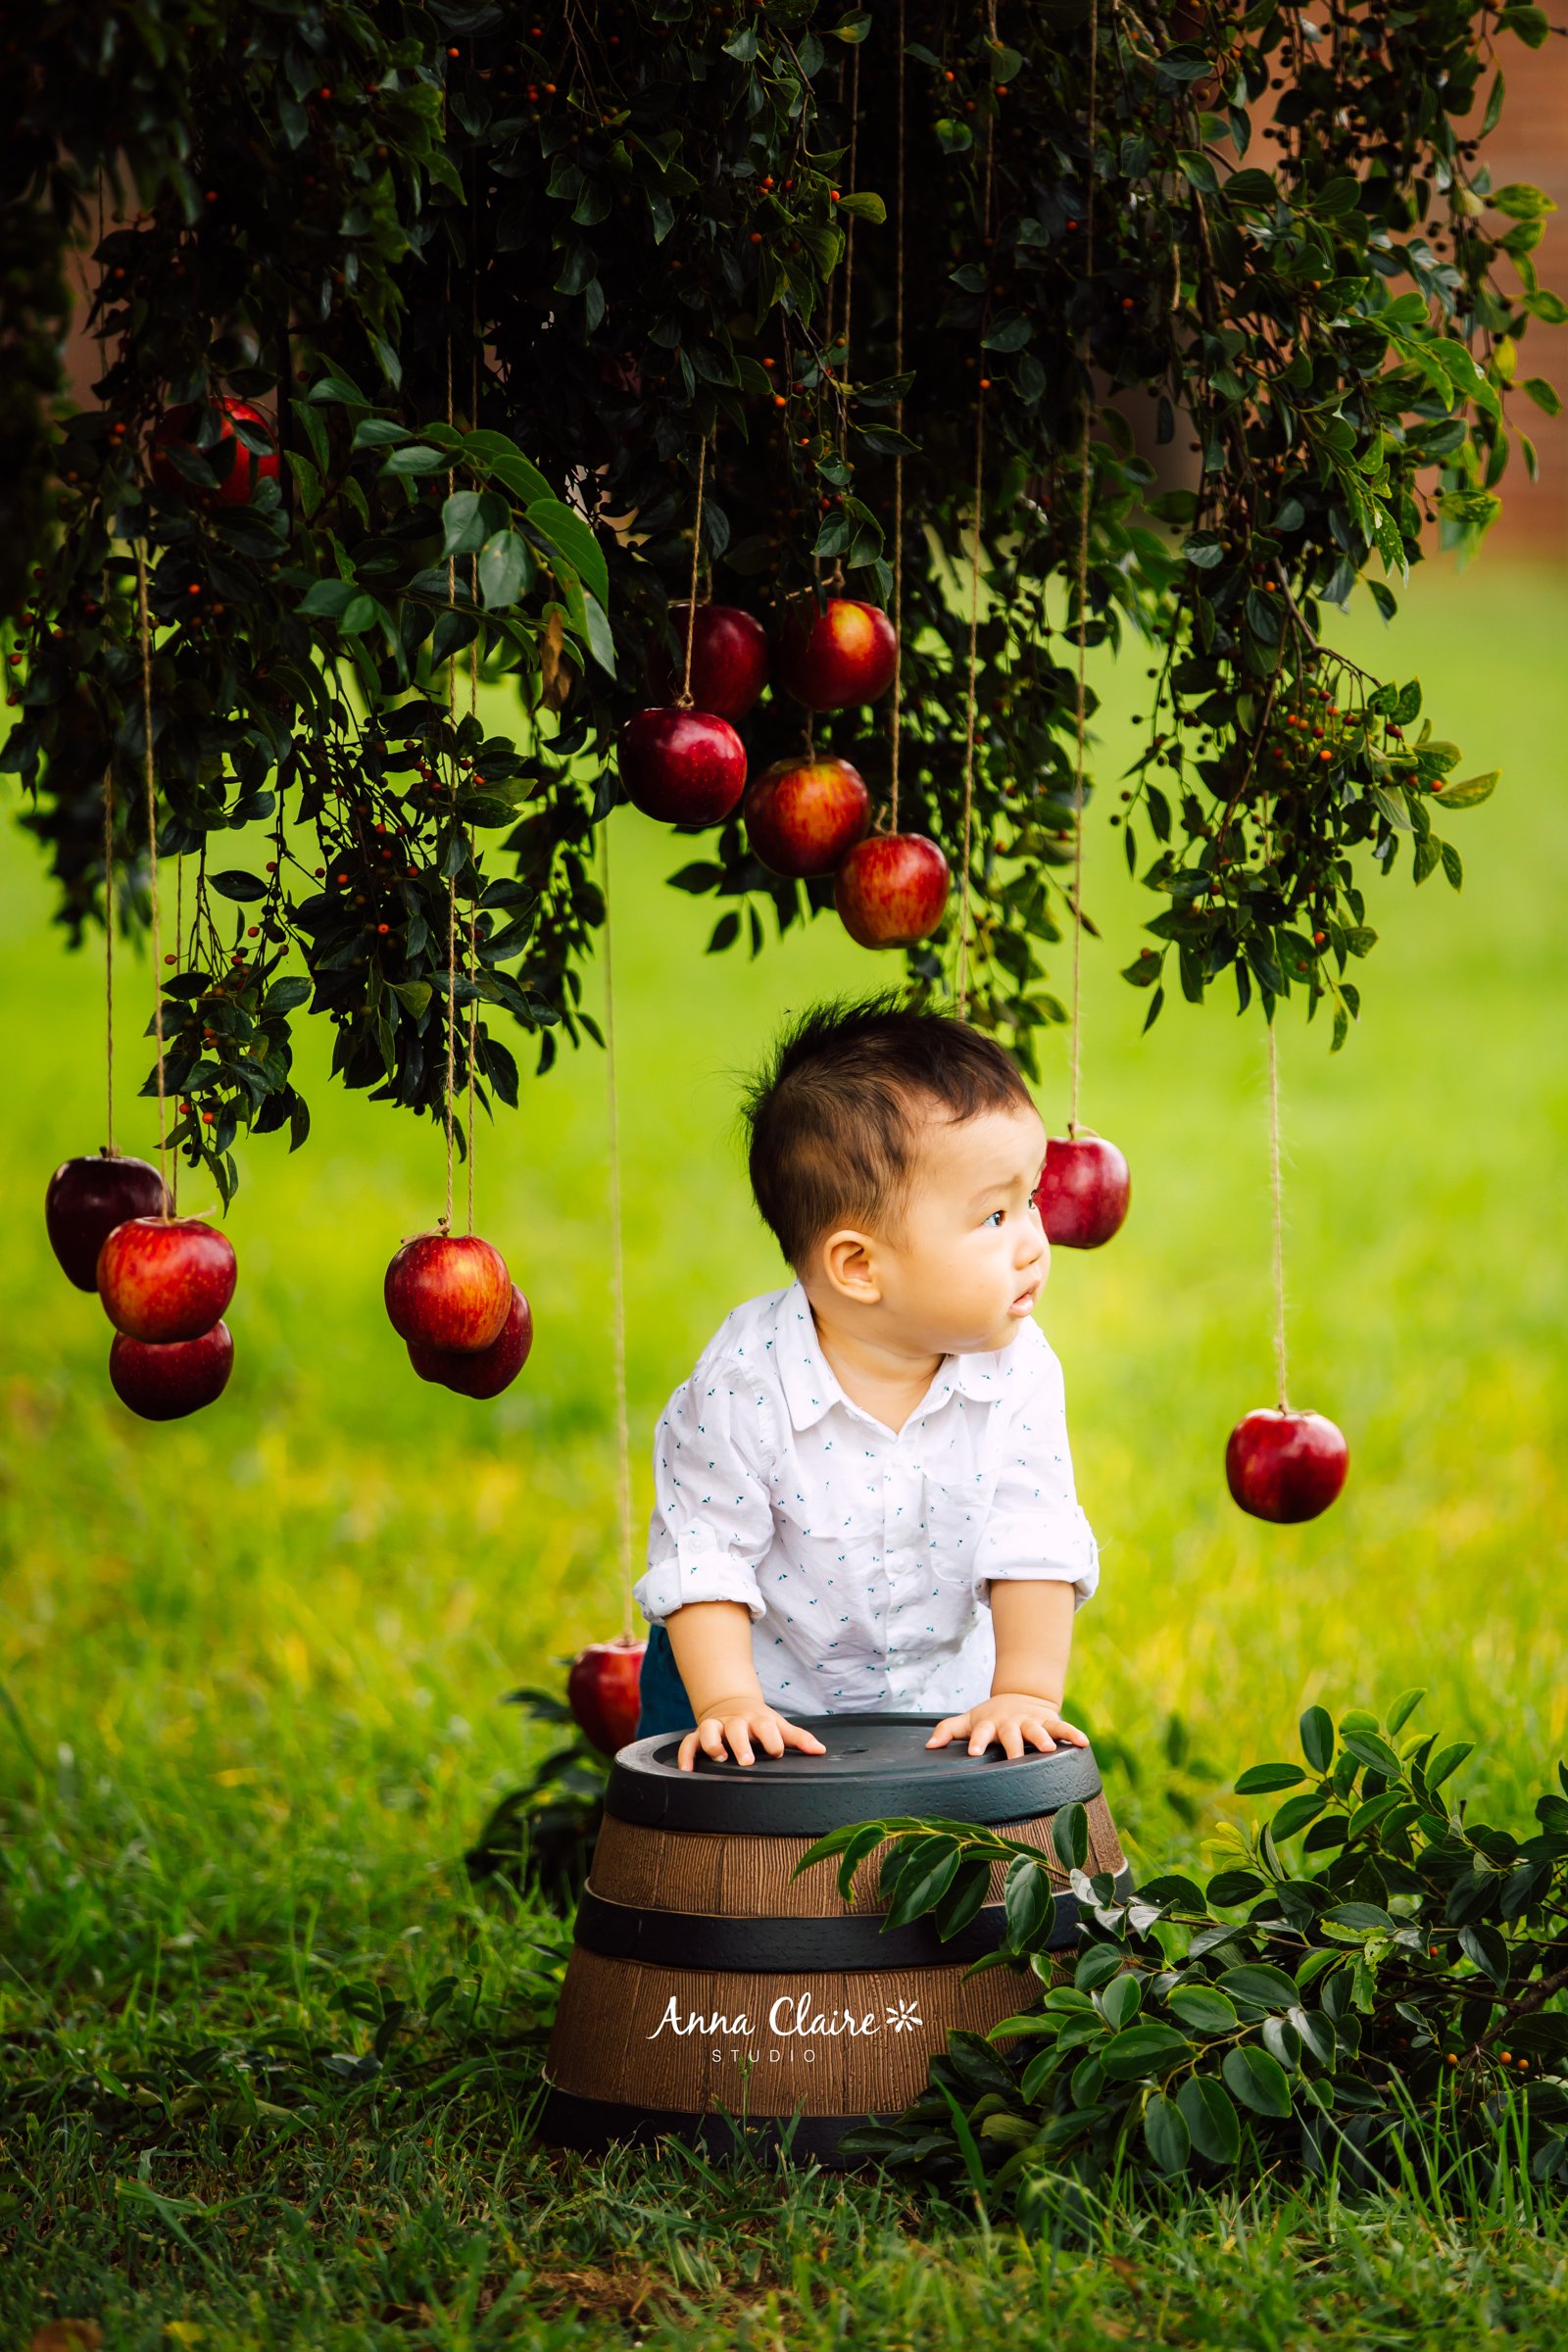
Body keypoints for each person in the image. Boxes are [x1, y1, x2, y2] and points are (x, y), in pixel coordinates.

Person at [633, 996, 1099, 1772]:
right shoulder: (747, 1384)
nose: (1033, 1244)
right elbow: (704, 1550)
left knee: (922, 1859)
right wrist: (726, 1704)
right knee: (725, 1851)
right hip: (749, 1684)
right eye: (993, 1218)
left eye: (1031, 1201)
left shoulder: (1018, 1368)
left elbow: (1033, 1536)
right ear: (859, 1267)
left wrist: (1023, 1692)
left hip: (940, 1696)